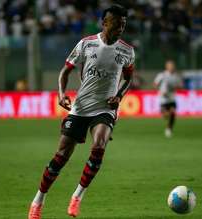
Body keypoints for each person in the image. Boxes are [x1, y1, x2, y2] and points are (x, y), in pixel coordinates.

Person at [28, 4, 134, 219]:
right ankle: (38, 200)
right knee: (61, 156)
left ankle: (77, 196)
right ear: (105, 22)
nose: (121, 27)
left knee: (99, 145)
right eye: (117, 22)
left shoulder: (127, 50)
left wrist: (119, 96)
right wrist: (61, 93)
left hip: (105, 108)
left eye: (124, 23)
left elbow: (129, 77)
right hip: (80, 107)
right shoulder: (86, 44)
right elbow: (65, 71)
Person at [153, 60, 183, 138]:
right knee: (166, 116)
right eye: (169, 65)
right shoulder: (162, 75)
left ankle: (169, 129)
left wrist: (177, 87)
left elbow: (180, 85)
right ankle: (164, 115)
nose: (171, 67)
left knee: (173, 113)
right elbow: (155, 84)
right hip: (163, 99)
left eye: (172, 65)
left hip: (172, 98)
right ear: (166, 67)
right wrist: (160, 91)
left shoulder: (176, 76)